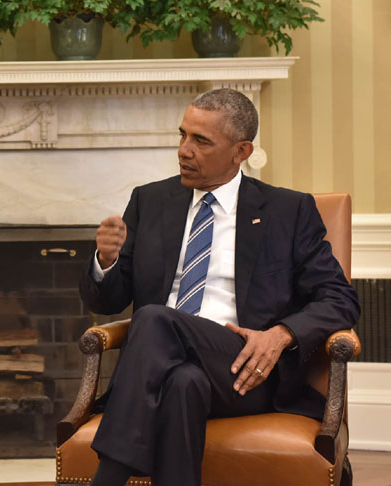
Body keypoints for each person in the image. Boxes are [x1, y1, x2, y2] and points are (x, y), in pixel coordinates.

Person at [79, 88, 360, 486]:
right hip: (164, 368)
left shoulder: (287, 211)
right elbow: (108, 301)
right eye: (182, 135)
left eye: (201, 141)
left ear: (241, 151)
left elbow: (340, 299)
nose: (183, 150)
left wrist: (281, 335)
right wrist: (104, 263)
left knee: (156, 318)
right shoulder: (150, 201)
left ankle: (109, 474)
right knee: (183, 383)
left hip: (245, 371)